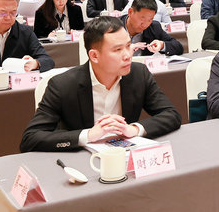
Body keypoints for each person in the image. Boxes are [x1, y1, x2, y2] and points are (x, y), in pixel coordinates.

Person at [19, 16, 181, 152]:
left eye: (128, 46)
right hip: (81, 162)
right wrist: (88, 135)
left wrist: (134, 129)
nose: (127, 55)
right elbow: (31, 138)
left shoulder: (139, 74)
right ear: (94, 56)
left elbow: (171, 114)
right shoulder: (62, 84)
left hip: (125, 155)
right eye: (117, 50)